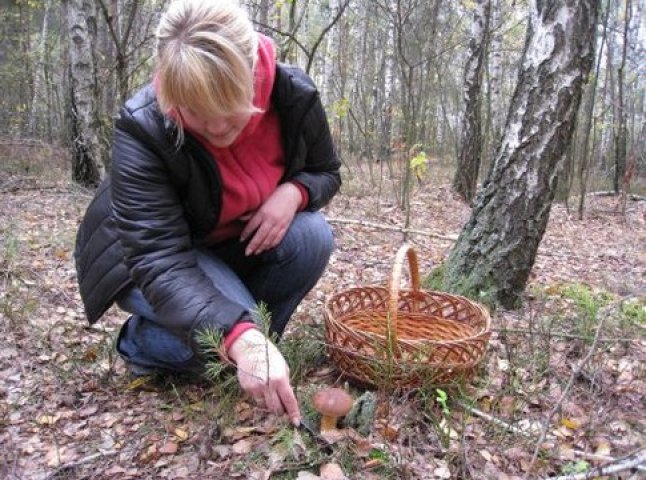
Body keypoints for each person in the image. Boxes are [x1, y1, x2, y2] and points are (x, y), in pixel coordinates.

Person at [74, 0, 340, 427]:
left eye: (228, 108)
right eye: (196, 112)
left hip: (228, 245)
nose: (217, 129)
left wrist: (294, 192)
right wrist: (242, 338)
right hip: (151, 260)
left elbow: (326, 172)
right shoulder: (144, 126)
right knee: (218, 345)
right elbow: (159, 259)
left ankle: (244, 340)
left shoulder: (294, 95)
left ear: (252, 75)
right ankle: (142, 343)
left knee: (311, 237)